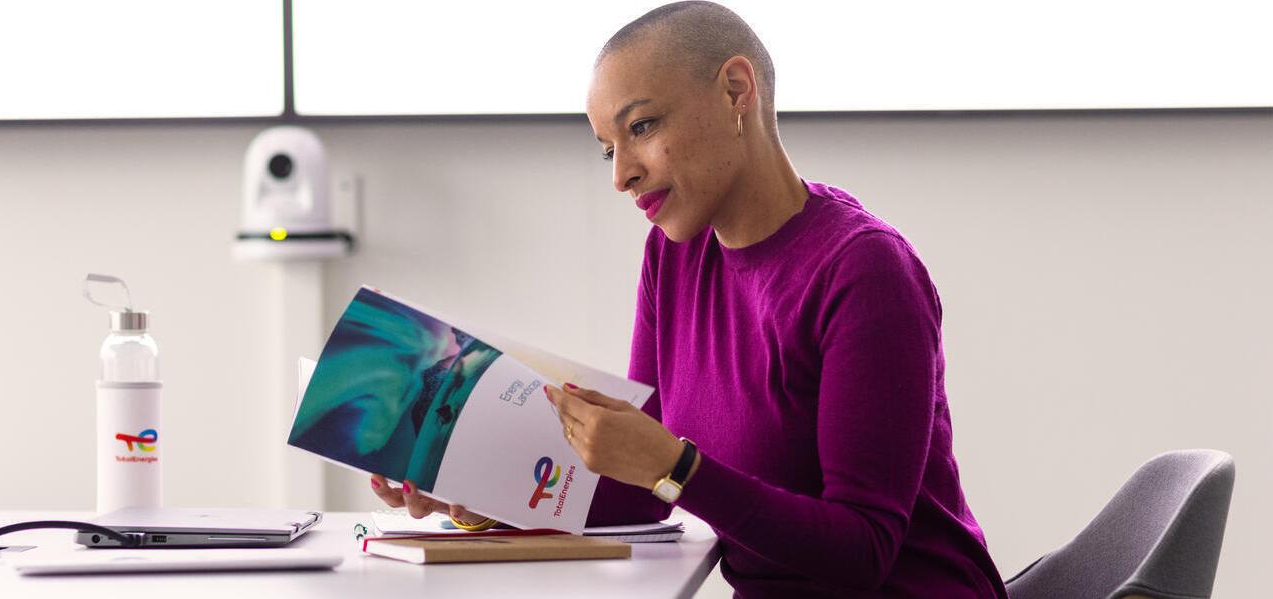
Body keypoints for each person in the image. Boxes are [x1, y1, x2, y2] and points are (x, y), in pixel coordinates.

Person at [369, 2, 1008, 596]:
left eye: (641, 127)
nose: (621, 175)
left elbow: (863, 550)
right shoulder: (674, 255)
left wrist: (675, 466)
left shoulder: (864, 270)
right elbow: (647, 489)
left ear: (736, 91)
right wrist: (491, 497)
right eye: (607, 150)